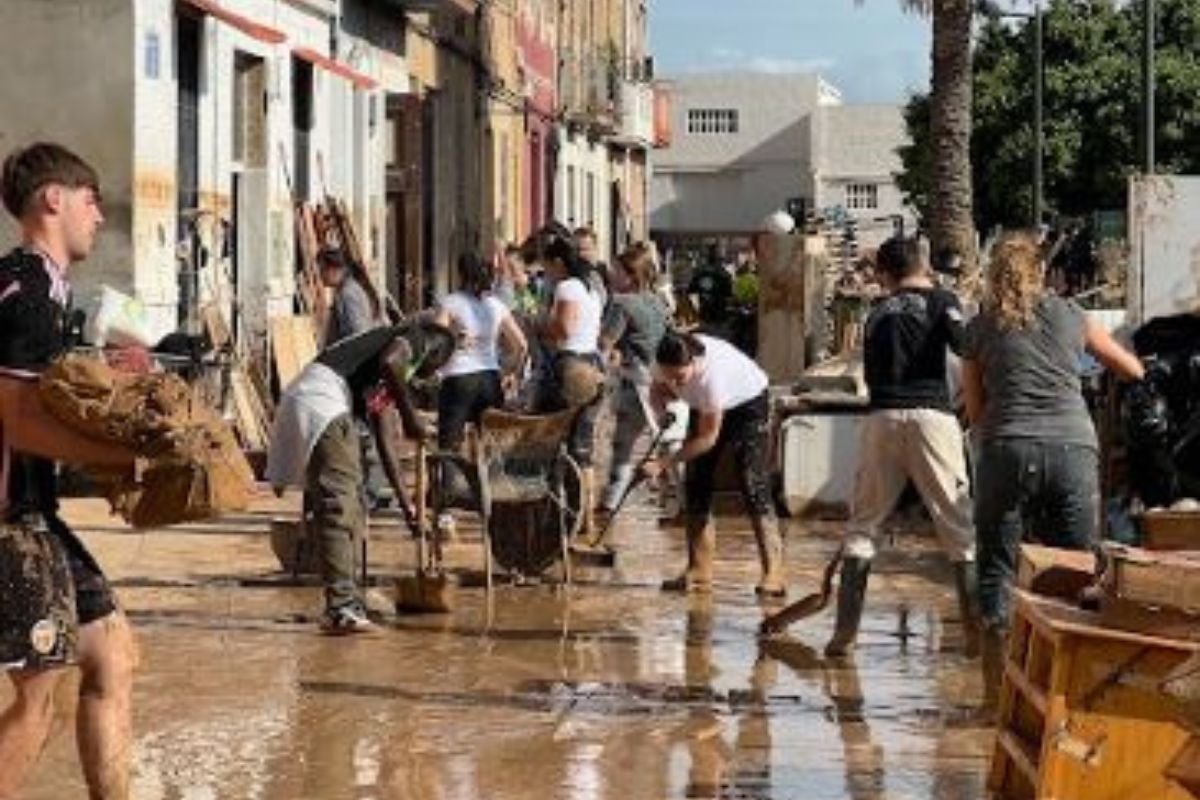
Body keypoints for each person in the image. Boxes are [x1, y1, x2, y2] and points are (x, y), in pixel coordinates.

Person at [0, 142, 138, 799]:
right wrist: (125, 457)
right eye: (91, 200)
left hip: (35, 515)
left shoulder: (46, 292)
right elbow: (20, 423)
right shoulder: (25, 293)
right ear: (52, 200)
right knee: (37, 699)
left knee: (113, 655)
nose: (100, 217)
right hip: (9, 521)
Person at [962, 231, 1144, 704]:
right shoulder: (1071, 315)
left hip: (1006, 449)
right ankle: (1066, 696)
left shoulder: (979, 328)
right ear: (1042, 274)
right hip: (1072, 449)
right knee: (1077, 568)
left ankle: (996, 696)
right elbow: (1133, 370)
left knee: (997, 568)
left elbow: (976, 412)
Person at [824, 236, 978, 659]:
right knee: (958, 527)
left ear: (884, 273)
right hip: (932, 416)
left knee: (863, 526)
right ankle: (975, 636)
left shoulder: (876, 312)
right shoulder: (942, 300)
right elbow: (967, 348)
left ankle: (844, 636)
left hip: (880, 418)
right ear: (923, 265)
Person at [266, 323, 453, 634]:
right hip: (323, 404)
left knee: (351, 505)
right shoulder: (416, 338)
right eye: (435, 368)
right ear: (437, 352)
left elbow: (385, 442)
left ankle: (346, 599)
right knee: (339, 505)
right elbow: (393, 362)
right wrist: (410, 419)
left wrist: (408, 507)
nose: (427, 376)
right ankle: (341, 609)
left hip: (313, 400)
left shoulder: (383, 378)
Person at [641, 331, 786, 597]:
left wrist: (665, 462)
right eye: (668, 375)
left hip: (748, 404)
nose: (673, 382)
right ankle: (698, 568)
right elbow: (655, 391)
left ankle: (774, 573)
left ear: (694, 362)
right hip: (706, 406)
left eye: (679, 377)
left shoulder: (711, 379)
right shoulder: (665, 363)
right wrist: (662, 413)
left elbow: (708, 439)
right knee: (696, 481)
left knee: (752, 483)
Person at [539, 231, 606, 538]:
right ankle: (587, 520)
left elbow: (564, 329)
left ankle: (564, 516)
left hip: (572, 366)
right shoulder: (590, 287)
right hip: (593, 365)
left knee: (560, 443)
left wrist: (539, 324)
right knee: (584, 448)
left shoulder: (566, 287)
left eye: (547, 265)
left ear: (557, 262)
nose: (546, 272)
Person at [597, 243, 669, 523]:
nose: (612, 276)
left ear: (630, 275)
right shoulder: (657, 301)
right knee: (668, 444)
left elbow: (605, 342)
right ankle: (679, 504)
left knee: (623, 447)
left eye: (616, 271)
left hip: (635, 382)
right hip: (663, 379)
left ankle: (609, 506)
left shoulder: (621, 303)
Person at [317, 246, 392, 509]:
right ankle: (375, 488)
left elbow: (358, 338)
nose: (320, 277)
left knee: (363, 432)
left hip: (360, 373)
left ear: (333, 269)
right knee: (370, 430)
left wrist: (348, 372)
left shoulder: (349, 295)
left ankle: (371, 491)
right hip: (367, 372)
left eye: (321, 270)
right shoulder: (355, 290)